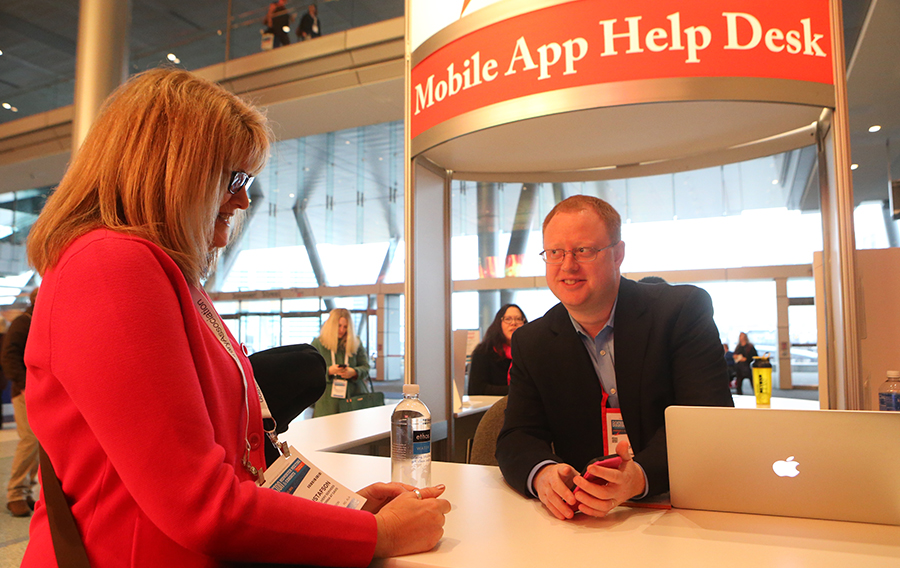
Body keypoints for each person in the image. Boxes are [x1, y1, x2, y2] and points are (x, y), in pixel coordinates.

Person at [21, 68, 449, 567]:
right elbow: (200, 506)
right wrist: (377, 536)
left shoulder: (161, 273)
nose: (244, 199)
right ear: (169, 168)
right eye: (235, 178)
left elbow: (231, 471)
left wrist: (354, 516)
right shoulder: (110, 265)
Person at [495, 195, 733, 521]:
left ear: (618, 255)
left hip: (680, 508)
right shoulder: (533, 341)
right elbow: (517, 436)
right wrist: (542, 474)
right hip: (587, 519)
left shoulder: (680, 311)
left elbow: (708, 421)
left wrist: (639, 476)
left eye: (583, 250)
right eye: (555, 252)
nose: (567, 265)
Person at [4, 287, 39, 518]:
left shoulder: (42, 322)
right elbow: (9, 356)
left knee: (41, 443)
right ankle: (15, 493)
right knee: (30, 439)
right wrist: (25, 383)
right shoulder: (23, 323)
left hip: (42, 393)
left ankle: (26, 490)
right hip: (25, 391)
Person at [310, 308, 372, 417]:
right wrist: (329, 370)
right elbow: (311, 372)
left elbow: (366, 367)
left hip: (353, 398)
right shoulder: (318, 343)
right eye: (339, 326)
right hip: (326, 402)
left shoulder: (355, 342)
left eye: (345, 327)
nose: (342, 330)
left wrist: (354, 372)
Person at [467, 304, 527, 396]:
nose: (513, 323)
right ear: (499, 323)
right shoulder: (483, 352)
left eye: (518, 319)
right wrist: (516, 390)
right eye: (508, 319)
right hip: (490, 407)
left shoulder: (530, 353)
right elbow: (477, 389)